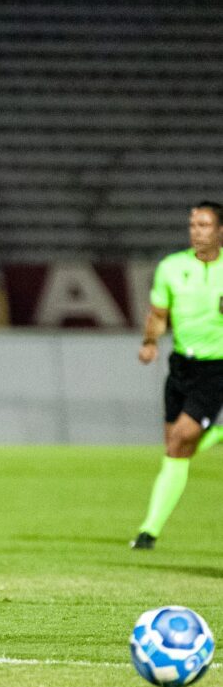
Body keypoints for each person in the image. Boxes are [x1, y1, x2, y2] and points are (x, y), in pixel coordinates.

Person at [131, 200, 223, 549]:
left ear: (220, 231)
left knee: (178, 441)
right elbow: (158, 312)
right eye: (193, 225)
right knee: (175, 448)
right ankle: (214, 435)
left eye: (204, 225)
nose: (196, 231)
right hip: (181, 365)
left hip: (216, 368)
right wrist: (150, 342)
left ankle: (148, 531)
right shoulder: (172, 267)